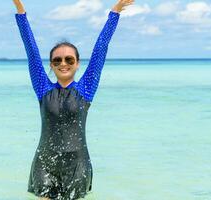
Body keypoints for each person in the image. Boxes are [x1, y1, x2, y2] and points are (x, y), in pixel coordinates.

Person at [12, 0, 134, 199]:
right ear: (51, 65)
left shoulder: (86, 88)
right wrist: (19, 9)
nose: (63, 63)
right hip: (45, 163)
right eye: (57, 60)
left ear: (77, 64)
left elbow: (101, 49)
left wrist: (115, 12)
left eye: (69, 59)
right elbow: (31, 50)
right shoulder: (43, 88)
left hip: (77, 165)